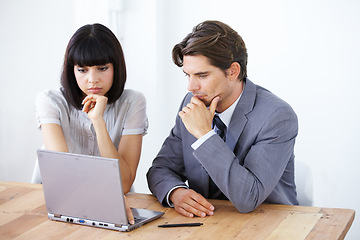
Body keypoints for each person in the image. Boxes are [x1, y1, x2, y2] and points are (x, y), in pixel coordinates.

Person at [147, 20, 299, 218]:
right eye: (188, 75)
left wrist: (204, 135)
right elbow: (160, 169)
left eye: (201, 75)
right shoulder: (193, 102)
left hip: (268, 224)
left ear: (233, 71)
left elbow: (249, 198)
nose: (191, 87)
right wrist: (176, 192)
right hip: (210, 224)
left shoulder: (277, 116)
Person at [36, 23, 148, 224]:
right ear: (72, 70)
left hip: (115, 207)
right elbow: (64, 175)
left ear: (116, 67)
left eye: (102, 68)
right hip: (54, 206)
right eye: (82, 70)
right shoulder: (50, 101)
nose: (92, 80)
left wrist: (98, 121)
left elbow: (123, 183)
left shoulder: (133, 102)